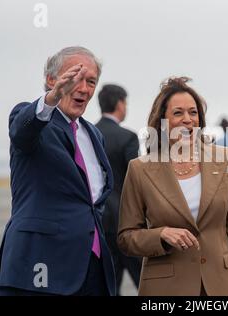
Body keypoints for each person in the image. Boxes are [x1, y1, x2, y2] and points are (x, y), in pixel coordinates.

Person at [0, 46, 116, 296]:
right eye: (75, 78)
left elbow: (91, 201)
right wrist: (51, 99)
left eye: (91, 81)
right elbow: (21, 133)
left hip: (90, 269)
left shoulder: (94, 135)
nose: (83, 88)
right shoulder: (31, 118)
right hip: (38, 267)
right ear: (51, 79)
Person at [117, 77, 228, 296]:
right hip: (165, 289)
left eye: (193, 112)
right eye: (178, 113)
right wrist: (160, 234)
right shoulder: (140, 169)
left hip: (221, 286)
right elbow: (126, 237)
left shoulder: (225, 159)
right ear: (162, 120)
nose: (187, 120)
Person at [95, 84, 142, 295]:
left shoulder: (88, 134)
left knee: (108, 287)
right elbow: (137, 181)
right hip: (127, 221)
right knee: (147, 284)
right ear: (120, 104)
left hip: (99, 221)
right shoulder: (128, 137)